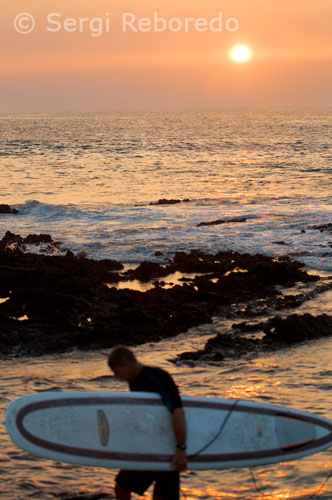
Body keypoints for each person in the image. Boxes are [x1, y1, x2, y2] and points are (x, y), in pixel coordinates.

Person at [107, 345, 188, 500]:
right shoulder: (134, 382)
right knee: (121, 488)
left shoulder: (156, 377)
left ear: (127, 364)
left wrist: (181, 449)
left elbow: (177, 411)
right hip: (148, 448)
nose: (116, 376)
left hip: (168, 449)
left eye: (117, 371)